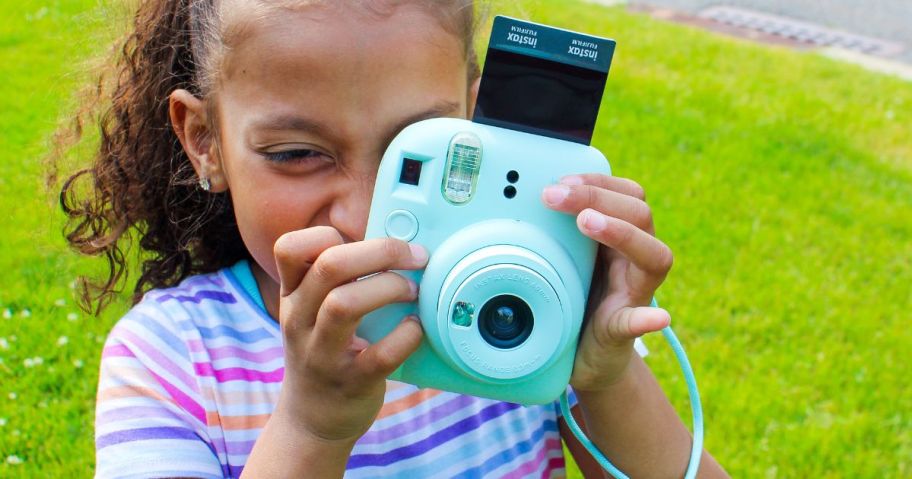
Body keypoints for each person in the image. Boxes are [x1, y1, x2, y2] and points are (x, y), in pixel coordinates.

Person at [55, 0, 728, 477]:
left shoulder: (527, 304)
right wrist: (312, 425)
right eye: (296, 153)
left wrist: (605, 378)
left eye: (419, 153)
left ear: (471, 118)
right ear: (206, 142)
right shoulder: (174, 359)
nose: (361, 212)